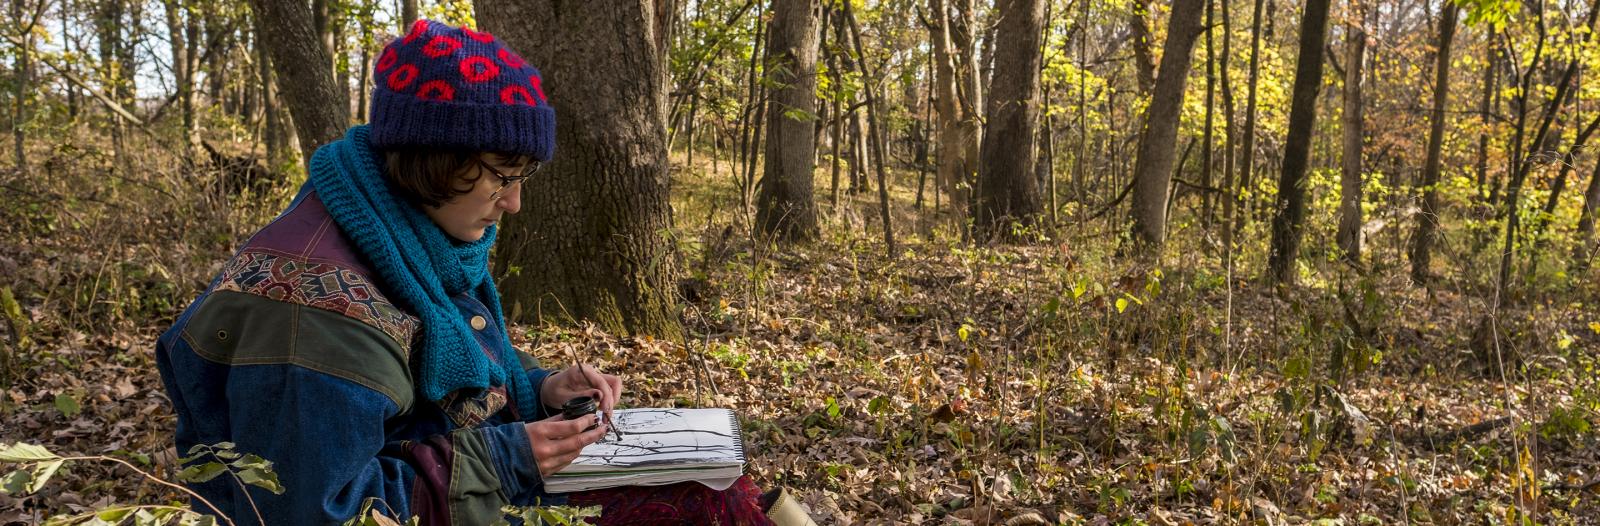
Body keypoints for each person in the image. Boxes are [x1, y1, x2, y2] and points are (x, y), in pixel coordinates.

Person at [155, 20, 814, 526]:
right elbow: (316, 511)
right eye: (502, 177)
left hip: (466, 492)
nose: (515, 203)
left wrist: (539, 392)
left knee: (723, 487)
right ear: (434, 159)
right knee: (699, 507)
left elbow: (436, 383)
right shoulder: (313, 310)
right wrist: (512, 456)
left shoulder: (408, 233)